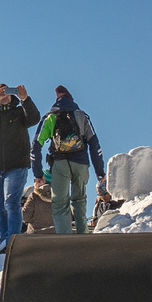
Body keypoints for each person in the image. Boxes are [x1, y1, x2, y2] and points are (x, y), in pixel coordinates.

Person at [33, 85, 105, 234]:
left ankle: (65, 240)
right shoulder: (82, 116)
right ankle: (82, 235)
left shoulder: (50, 117)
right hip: (81, 163)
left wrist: (38, 174)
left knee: (60, 204)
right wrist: (100, 171)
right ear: (72, 99)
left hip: (59, 164)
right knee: (79, 199)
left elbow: (35, 146)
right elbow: (94, 143)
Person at [0, 84, 40, 247]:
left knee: (11, 202)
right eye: (0, 92)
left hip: (17, 165)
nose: (4, 95)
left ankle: (13, 241)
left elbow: (34, 118)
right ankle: (4, 241)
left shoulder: (19, 112)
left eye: (7, 92)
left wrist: (25, 99)